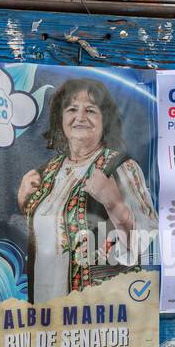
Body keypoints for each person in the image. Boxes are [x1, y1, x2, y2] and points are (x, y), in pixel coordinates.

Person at [16, 78, 156, 303]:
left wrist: (115, 205)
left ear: (105, 121)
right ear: (60, 119)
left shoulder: (120, 167)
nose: (80, 117)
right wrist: (25, 205)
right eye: (72, 109)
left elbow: (148, 240)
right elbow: (51, 235)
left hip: (100, 311)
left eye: (91, 110)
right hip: (46, 306)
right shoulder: (48, 172)